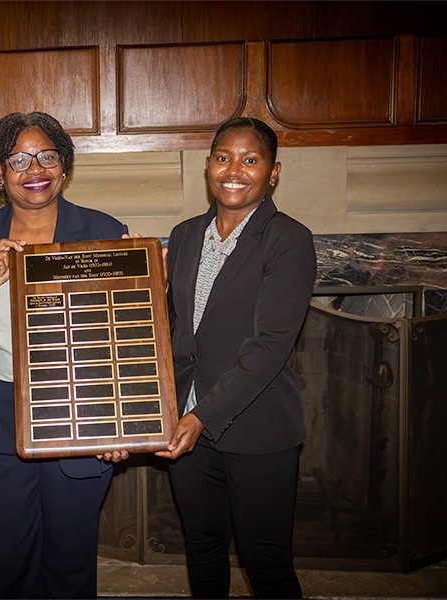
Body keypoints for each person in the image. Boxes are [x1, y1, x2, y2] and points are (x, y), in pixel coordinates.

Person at [0, 111, 128, 598]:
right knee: (6, 558)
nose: (35, 169)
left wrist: (120, 423)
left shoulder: (104, 231)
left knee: (70, 560)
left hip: (80, 414)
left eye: (47, 157)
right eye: (19, 160)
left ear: (63, 166)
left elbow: (128, 338)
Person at [157, 117, 316, 598]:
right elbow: (171, 328)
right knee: (202, 548)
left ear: (273, 173)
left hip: (258, 426)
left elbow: (270, 347)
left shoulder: (288, 239)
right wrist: (138, 277)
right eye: (223, 157)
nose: (234, 170)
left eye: (251, 160)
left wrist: (202, 416)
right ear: (208, 165)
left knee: (264, 559)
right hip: (186, 422)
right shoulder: (184, 235)